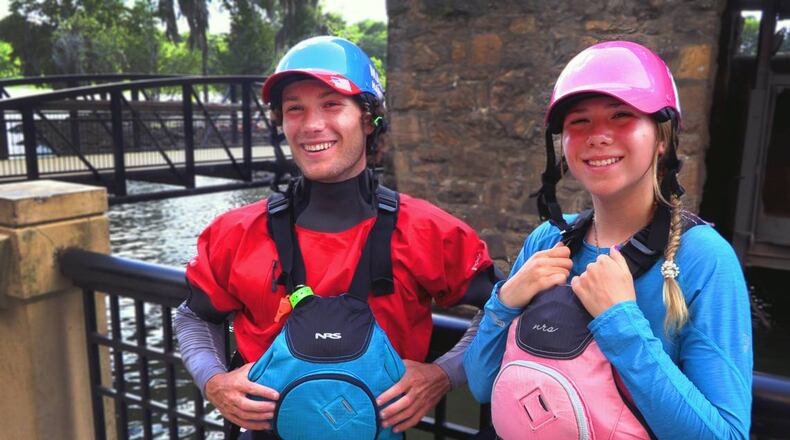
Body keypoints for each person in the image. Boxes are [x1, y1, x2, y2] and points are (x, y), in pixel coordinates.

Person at [174, 36, 499, 438]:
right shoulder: (236, 233)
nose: (312, 125)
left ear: (368, 117)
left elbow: (501, 310)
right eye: (295, 109)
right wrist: (213, 381)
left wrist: (443, 374)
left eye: (332, 104)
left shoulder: (429, 231)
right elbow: (194, 314)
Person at [464, 41, 753, 439]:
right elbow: (481, 386)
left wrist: (620, 322)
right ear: (562, 143)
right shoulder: (548, 240)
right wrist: (506, 299)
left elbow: (727, 434)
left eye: (622, 115)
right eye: (579, 121)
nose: (598, 136)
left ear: (662, 137)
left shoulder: (703, 257)